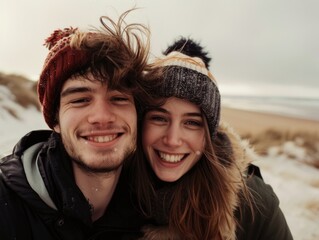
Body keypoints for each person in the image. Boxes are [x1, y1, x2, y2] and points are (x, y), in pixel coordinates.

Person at [0, 10, 151, 239]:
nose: (101, 116)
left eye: (119, 98)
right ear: (56, 120)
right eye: (80, 100)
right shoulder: (6, 204)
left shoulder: (160, 210)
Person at [133, 38, 293, 239]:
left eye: (192, 123)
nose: (173, 140)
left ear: (209, 134)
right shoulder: (109, 192)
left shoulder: (254, 204)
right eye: (159, 118)